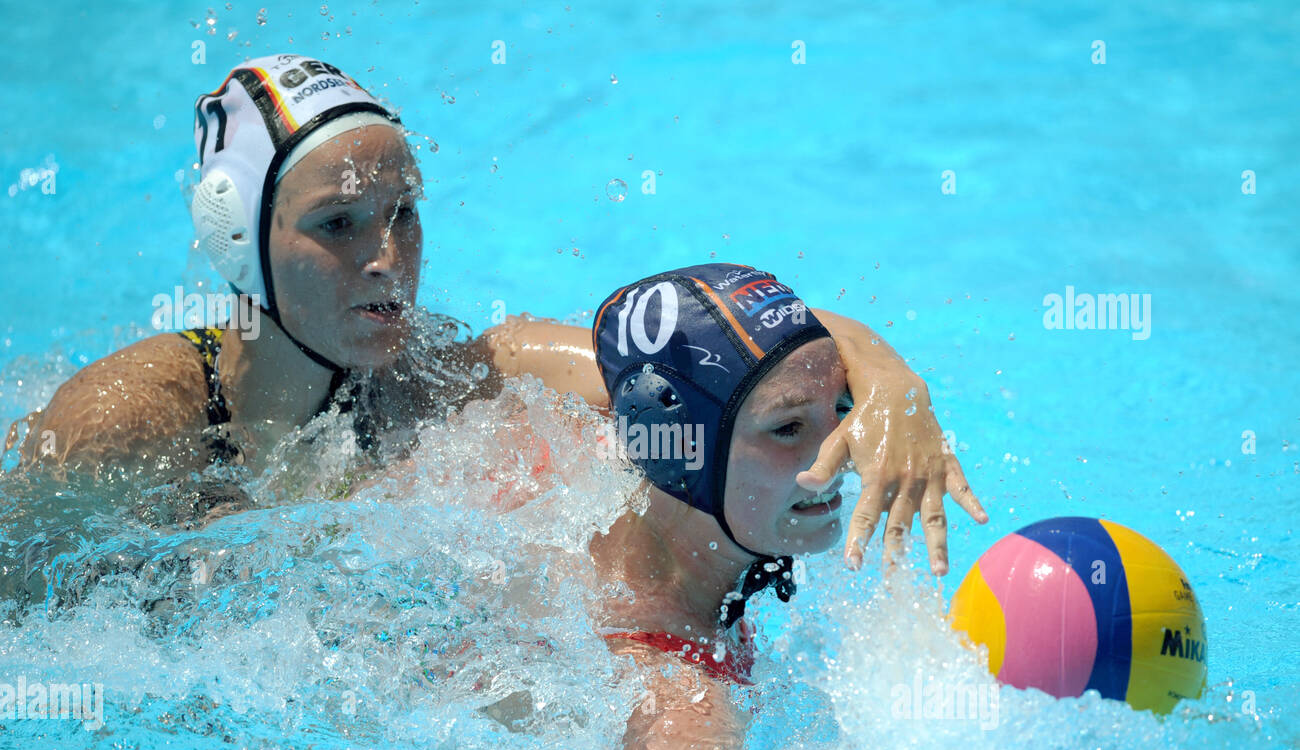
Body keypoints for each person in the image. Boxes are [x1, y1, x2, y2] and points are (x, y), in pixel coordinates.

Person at [8, 54, 982, 577]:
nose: (388, 258)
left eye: (403, 214)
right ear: (238, 240)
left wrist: (894, 388)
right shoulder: (119, 428)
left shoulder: (451, 371)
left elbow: (717, 338)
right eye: (338, 224)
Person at [588, 263, 938, 750]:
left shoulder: (587, 452)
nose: (838, 455)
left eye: (843, 409)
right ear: (678, 451)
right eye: (788, 427)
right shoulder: (683, 713)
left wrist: (890, 380)